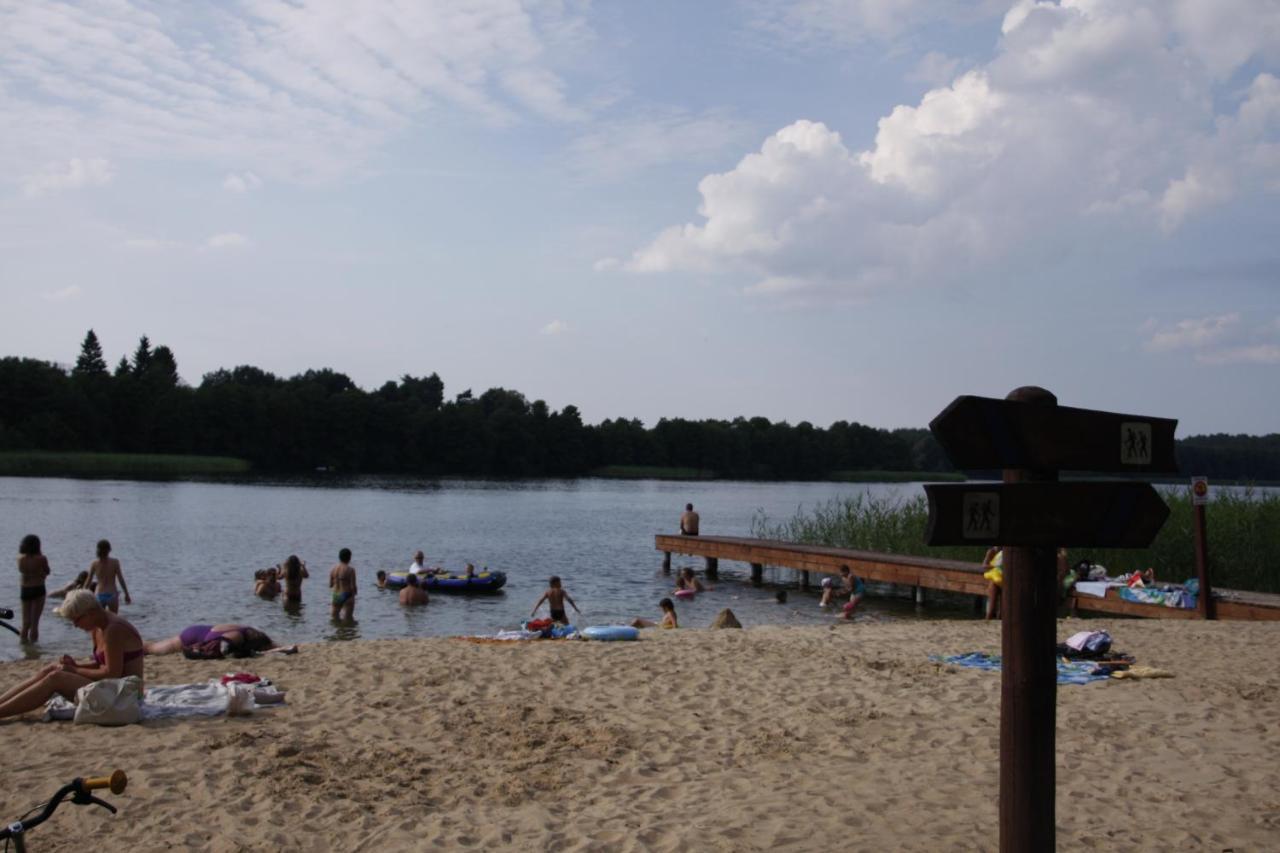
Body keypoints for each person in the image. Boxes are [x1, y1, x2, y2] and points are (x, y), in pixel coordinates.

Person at [0, 590, 144, 720]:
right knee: (51, 669)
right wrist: (74, 665)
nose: (74, 625)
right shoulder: (98, 627)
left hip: (124, 697)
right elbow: (102, 664)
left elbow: (112, 673)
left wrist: (74, 670)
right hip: (112, 688)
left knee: (55, 678)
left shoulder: (113, 630)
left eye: (76, 619)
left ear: (91, 612)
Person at [144, 623, 296, 658]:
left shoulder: (246, 630)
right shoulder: (238, 635)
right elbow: (219, 644)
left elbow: (272, 646)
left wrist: (279, 649)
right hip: (193, 637)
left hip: (196, 632)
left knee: (152, 647)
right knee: (152, 650)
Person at [17, 533, 50, 644]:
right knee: (35, 623)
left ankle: (23, 646)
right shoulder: (41, 558)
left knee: (26, 623)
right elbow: (47, 571)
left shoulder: (20, 559)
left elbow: (22, 571)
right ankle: (33, 648)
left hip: (25, 589)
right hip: (38, 588)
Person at [87, 539, 131, 614]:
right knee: (114, 620)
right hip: (112, 594)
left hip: (99, 594)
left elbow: (88, 581)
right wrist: (126, 594)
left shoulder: (94, 563)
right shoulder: (115, 562)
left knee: (100, 621)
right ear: (109, 550)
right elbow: (121, 579)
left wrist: (80, 595)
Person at [329, 548, 357, 620]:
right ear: (349, 557)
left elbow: (330, 585)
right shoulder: (351, 570)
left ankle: (337, 630)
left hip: (336, 595)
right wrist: (354, 595)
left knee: (334, 618)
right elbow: (353, 586)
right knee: (348, 619)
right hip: (347, 594)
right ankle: (346, 630)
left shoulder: (333, 569)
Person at [983, 546, 1004, 620]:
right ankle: (986, 623)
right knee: (991, 609)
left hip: (1004, 581)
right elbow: (984, 565)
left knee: (1003, 611)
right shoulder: (991, 551)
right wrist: (995, 566)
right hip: (994, 580)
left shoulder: (1008, 552)